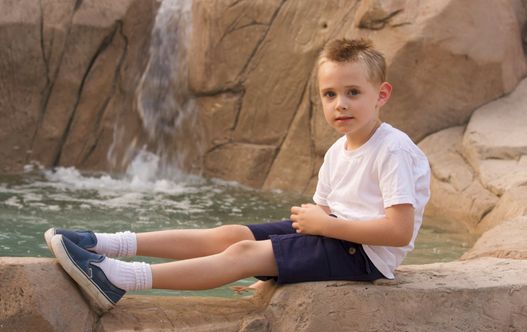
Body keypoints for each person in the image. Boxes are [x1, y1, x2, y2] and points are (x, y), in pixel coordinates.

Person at [45, 38, 430, 315]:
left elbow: (398, 231)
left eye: (353, 92)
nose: (340, 104)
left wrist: (318, 229)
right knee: (231, 235)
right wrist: (277, 268)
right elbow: (320, 219)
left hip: (365, 257)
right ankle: (106, 243)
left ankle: (120, 278)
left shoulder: (391, 149)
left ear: (381, 95)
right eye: (329, 94)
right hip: (333, 237)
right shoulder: (337, 150)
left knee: (242, 254)